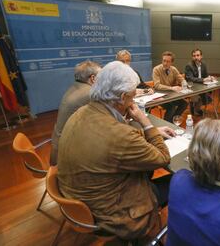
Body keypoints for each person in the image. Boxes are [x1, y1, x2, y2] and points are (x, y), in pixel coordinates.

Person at [57, 61, 175, 243]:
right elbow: (162, 157)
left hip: (77, 200)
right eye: (132, 97)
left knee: (144, 169)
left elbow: (113, 138)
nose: (133, 102)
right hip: (111, 214)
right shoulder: (120, 134)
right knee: (176, 181)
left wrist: (147, 134)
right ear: (121, 97)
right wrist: (147, 124)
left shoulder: (80, 113)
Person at [49, 60, 101, 166]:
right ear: (93, 78)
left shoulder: (75, 87)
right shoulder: (90, 93)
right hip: (68, 155)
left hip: (57, 147)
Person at [152, 51, 188, 122]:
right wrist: (172, 88)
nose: (165, 63)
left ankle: (172, 122)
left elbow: (181, 79)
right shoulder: (156, 69)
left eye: (168, 61)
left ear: (171, 63)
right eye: (164, 61)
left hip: (171, 95)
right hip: (160, 96)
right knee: (171, 107)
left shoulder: (173, 69)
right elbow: (156, 85)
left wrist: (184, 84)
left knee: (184, 104)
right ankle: (167, 124)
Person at [184, 48, 214, 116]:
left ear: (201, 56)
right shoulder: (189, 66)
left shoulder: (203, 64)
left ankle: (196, 107)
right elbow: (190, 79)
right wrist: (203, 80)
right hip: (192, 88)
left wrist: (210, 77)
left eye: (197, 55)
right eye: (194, 56)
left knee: (208, 99)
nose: (196, 57)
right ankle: (195, 108)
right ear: (192, 57)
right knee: (200, 98)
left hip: (202, 87)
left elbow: (206, 75)